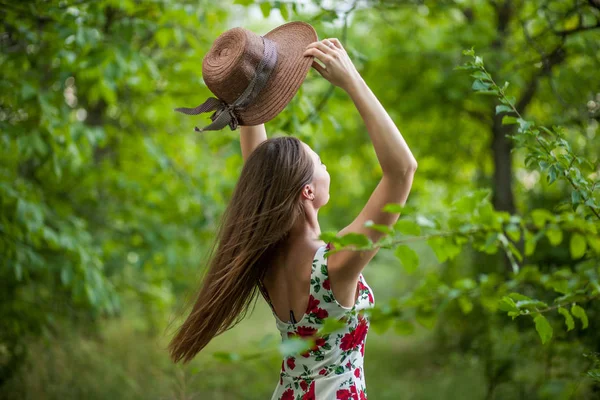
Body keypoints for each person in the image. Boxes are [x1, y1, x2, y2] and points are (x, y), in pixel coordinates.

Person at [169, 32, 417, 399]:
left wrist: (249, 82)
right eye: (319, 162)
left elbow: (262, 177)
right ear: (307, 191)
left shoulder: (264, 254)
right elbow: (401, 171)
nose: (325, 164)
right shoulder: (335, 265)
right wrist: (352, 80)